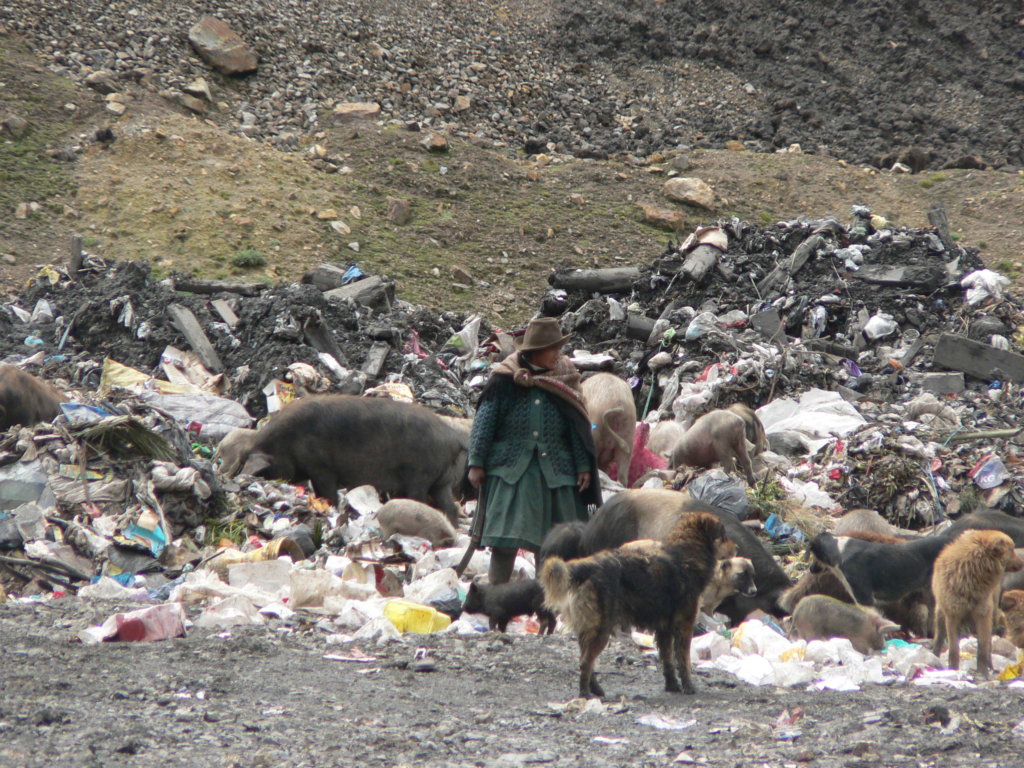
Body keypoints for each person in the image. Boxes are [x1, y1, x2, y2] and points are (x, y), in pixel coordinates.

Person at [467, 317, 601, 585]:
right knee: (504, 542)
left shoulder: (565, 377)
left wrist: (584, 464)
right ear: (534, 352)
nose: (557, 355)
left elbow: (576, 424)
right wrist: (476, 462)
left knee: (552, 545)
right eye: (552, 349)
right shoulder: (505, 379)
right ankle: (497, 595)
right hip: (512, 471)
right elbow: (485, 421)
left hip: (557, 473)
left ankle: (546, 606)